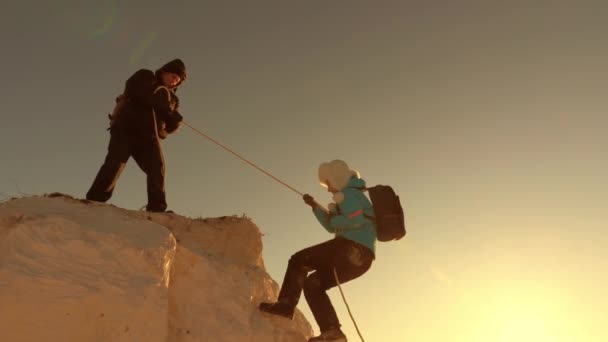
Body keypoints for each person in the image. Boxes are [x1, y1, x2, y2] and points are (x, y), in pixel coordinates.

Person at [259, 159, 377, 342]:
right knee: (313, 284)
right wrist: (315, 207)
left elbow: (355, 220)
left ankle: (285, 305)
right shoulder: (350, 195)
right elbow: (333, 228)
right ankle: (332, 333)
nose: (328, 189)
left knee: (299, 260)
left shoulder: (349, 194)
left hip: (352, 248)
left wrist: (335, 218)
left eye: (328, 183)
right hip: (361, 261)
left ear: (336, 178)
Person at [86, 59, 187, 212]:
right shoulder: (146, 76)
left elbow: (168, 127)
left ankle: (157, 208)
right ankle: (95, 199)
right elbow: (134, 90)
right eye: (172, 75)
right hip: (126, 129)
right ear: (164, 72)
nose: (174, 80)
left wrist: (174, 123)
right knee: (115, 162)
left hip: (149, 138)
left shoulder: (173, 100)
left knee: (157, 168)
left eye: (177, 80)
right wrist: (159, 104)